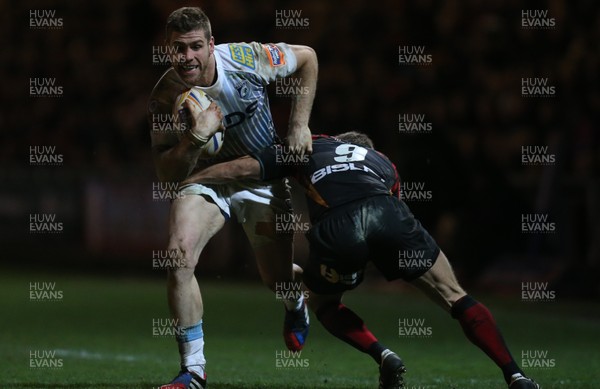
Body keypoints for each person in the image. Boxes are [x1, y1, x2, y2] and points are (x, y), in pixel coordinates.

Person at [182, 131, 541, 389]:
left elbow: (244, 169)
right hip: (390, 214)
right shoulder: (384, 163)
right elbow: (386, 211)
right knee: (454, 294)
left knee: (323, 303)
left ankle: (382, 354)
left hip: (341, 227)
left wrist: (193, 178)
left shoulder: (311, 145)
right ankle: (516, 375)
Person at [147, 7, 318, 389]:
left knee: (276, 279)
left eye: (194, 46)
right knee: (179, 257)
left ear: (211, 45)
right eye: (178, 48)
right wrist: (195, 138)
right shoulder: (164, 98)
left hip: (260, 176)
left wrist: (298, 125)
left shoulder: (246, 58)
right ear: (168, 49)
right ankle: (193, 371)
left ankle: (295, 302)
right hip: (207, 182)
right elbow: (165, 173)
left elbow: (307, 57)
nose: (186, 56)